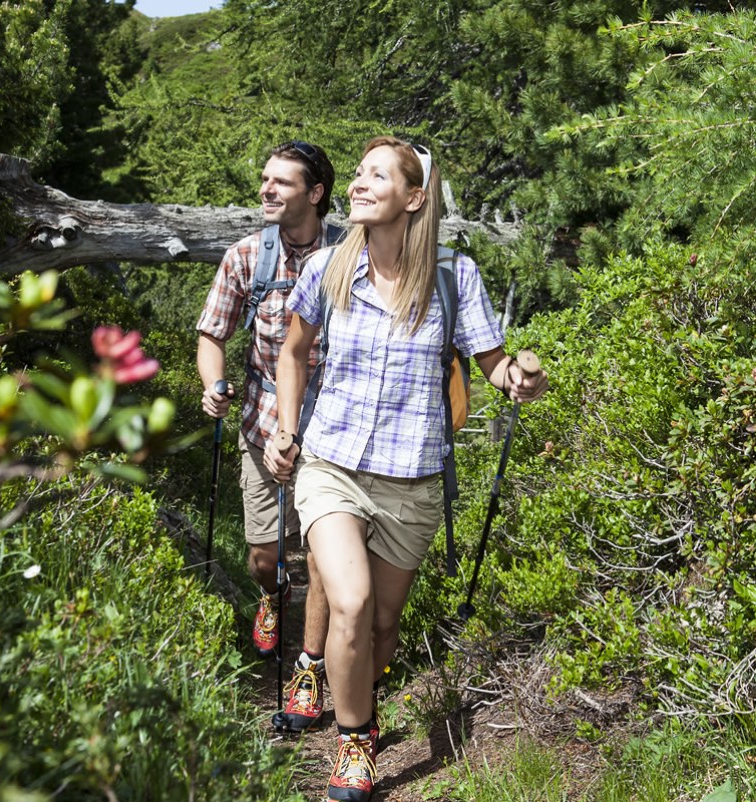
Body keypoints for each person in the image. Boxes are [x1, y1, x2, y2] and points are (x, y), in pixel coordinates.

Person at [264, 136, 548, 801]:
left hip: (412, 478)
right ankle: (354, 741)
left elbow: (494, 365)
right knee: (353, 604)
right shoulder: (332, 267)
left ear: (414, 198)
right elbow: (293, 352)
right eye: (357, 174)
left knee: (382, 625)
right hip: (331, 462)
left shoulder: (455, 276)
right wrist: (285, 427)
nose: (358, 184)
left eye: (376, 176)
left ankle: (353, 691)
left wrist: (520, 377)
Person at [196, 140, 339, 732]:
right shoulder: (245, 258)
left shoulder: (351, 254)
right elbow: (213, 333)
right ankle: (270, 596)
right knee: (265, 556)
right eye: (265, 180)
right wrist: (214, 384)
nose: (267, 190)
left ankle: (311, 667)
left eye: (282, 182)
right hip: (260, 423)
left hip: (335, 428)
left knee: (326, 559)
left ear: (316, 193)